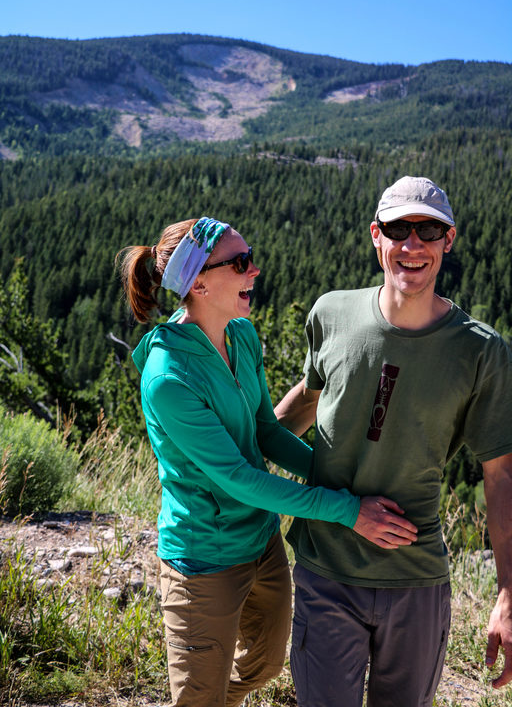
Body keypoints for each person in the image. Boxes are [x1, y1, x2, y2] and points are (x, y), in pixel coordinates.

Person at [118, 216, 412, 707]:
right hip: (204, 559)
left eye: (249, 256)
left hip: (260, 541)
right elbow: (239, 479)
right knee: (198, 697)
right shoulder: (169, 377)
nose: (254, 271)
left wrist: (337, 474)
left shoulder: (241, 335)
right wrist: (345, 508)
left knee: (267, 664)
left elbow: (266, 430)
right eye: (240, 262)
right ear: (199, 282)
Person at [275, 176, 512, 707]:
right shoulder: (330, 314)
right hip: (324, 569)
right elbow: (311, 397)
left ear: (448, 241)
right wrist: (233, 455)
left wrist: (508, 594)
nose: (413, 245)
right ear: (375, 237)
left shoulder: (480, 352)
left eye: (429, 230)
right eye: (398, 229)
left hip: (416, 581)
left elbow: (502, 474)